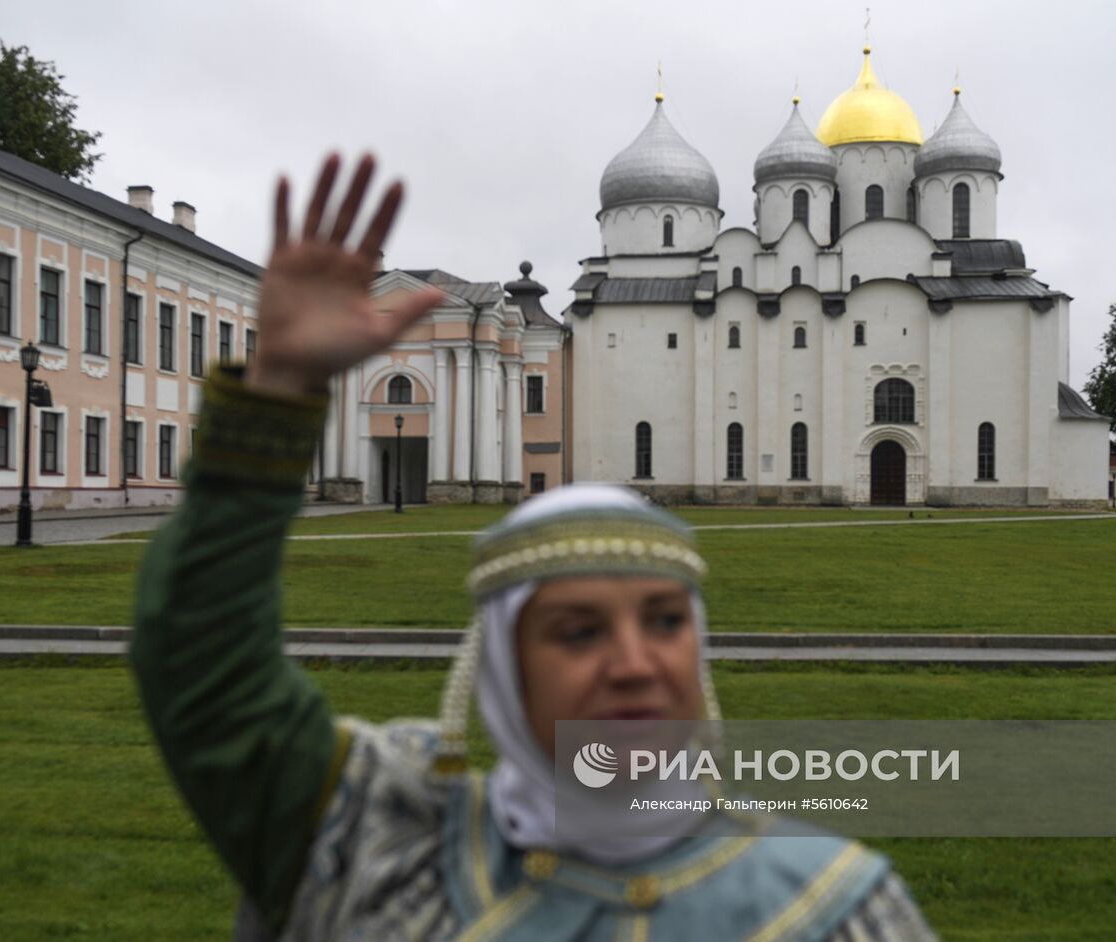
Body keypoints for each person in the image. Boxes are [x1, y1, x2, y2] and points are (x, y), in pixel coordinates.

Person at [131, 154, 938, 941]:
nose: (635, 663)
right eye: (579, 629)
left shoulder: (833, 911)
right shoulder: (381, 850)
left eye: (664, 621)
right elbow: (206, 680)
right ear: (503, 665)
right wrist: (277, 392)